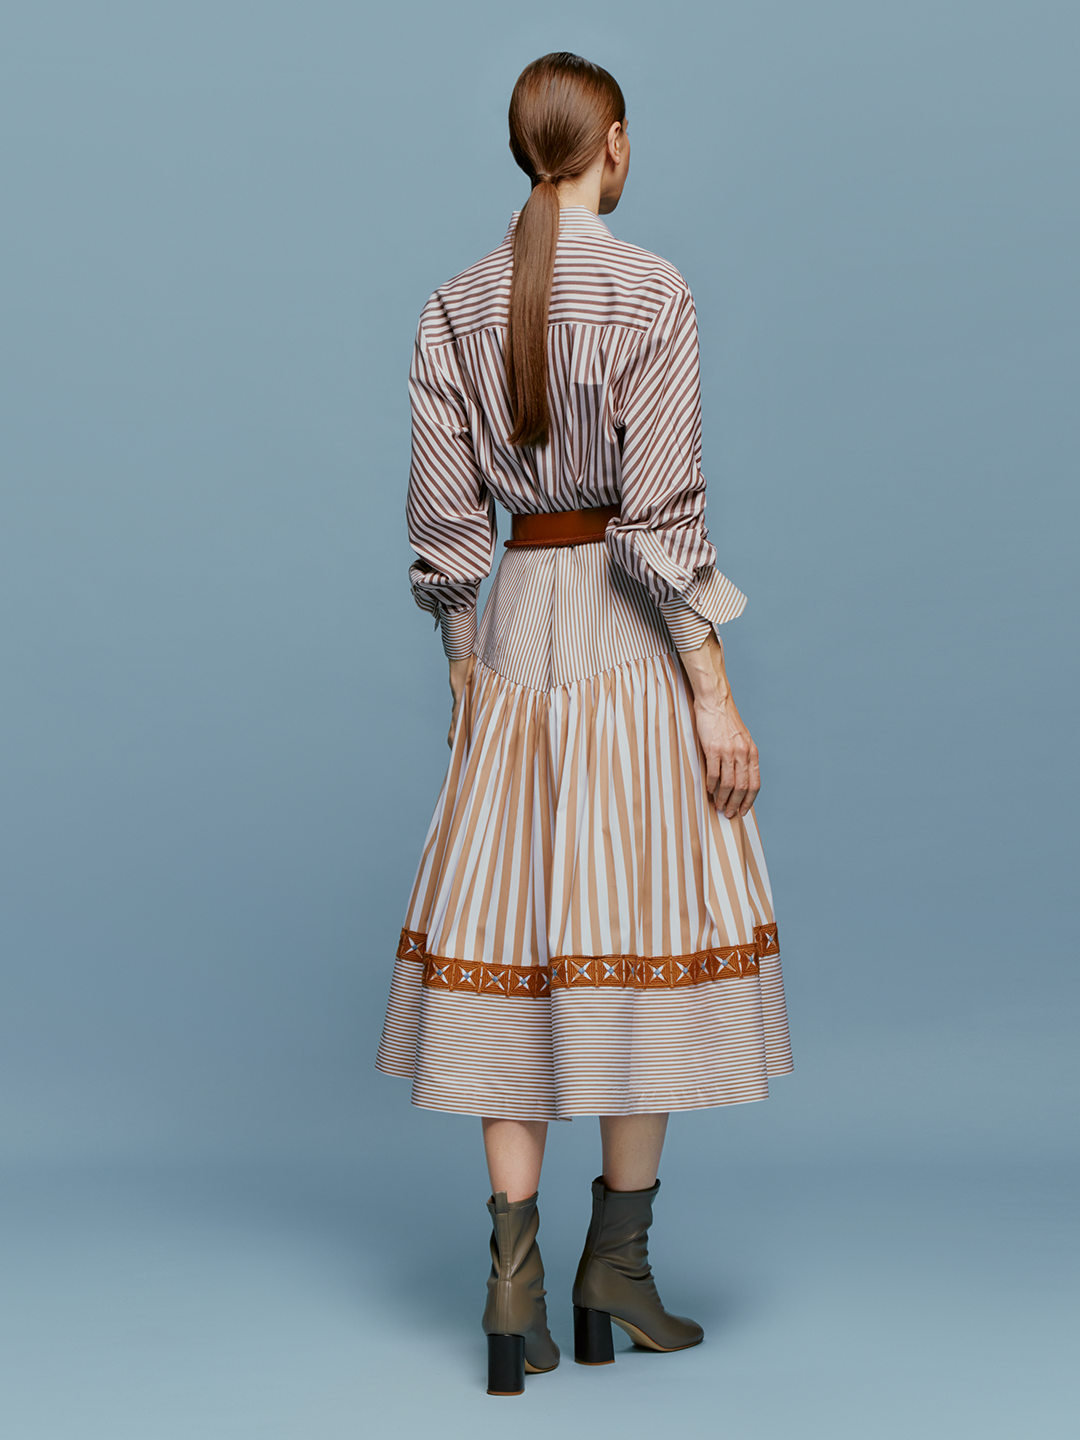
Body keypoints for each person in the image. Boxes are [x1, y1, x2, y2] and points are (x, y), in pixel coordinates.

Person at [376, 51, 792, 1396]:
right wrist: (714, 690)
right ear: (612, 144)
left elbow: (448, 531)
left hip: (516, 636)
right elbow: (662, 527)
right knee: (636, 927)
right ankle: (618, 1270)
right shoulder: (652, 290)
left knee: (512, 933)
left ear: (525, 150)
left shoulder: (452, 306)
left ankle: (513, 1292)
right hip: (622, 643)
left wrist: (461, 658)